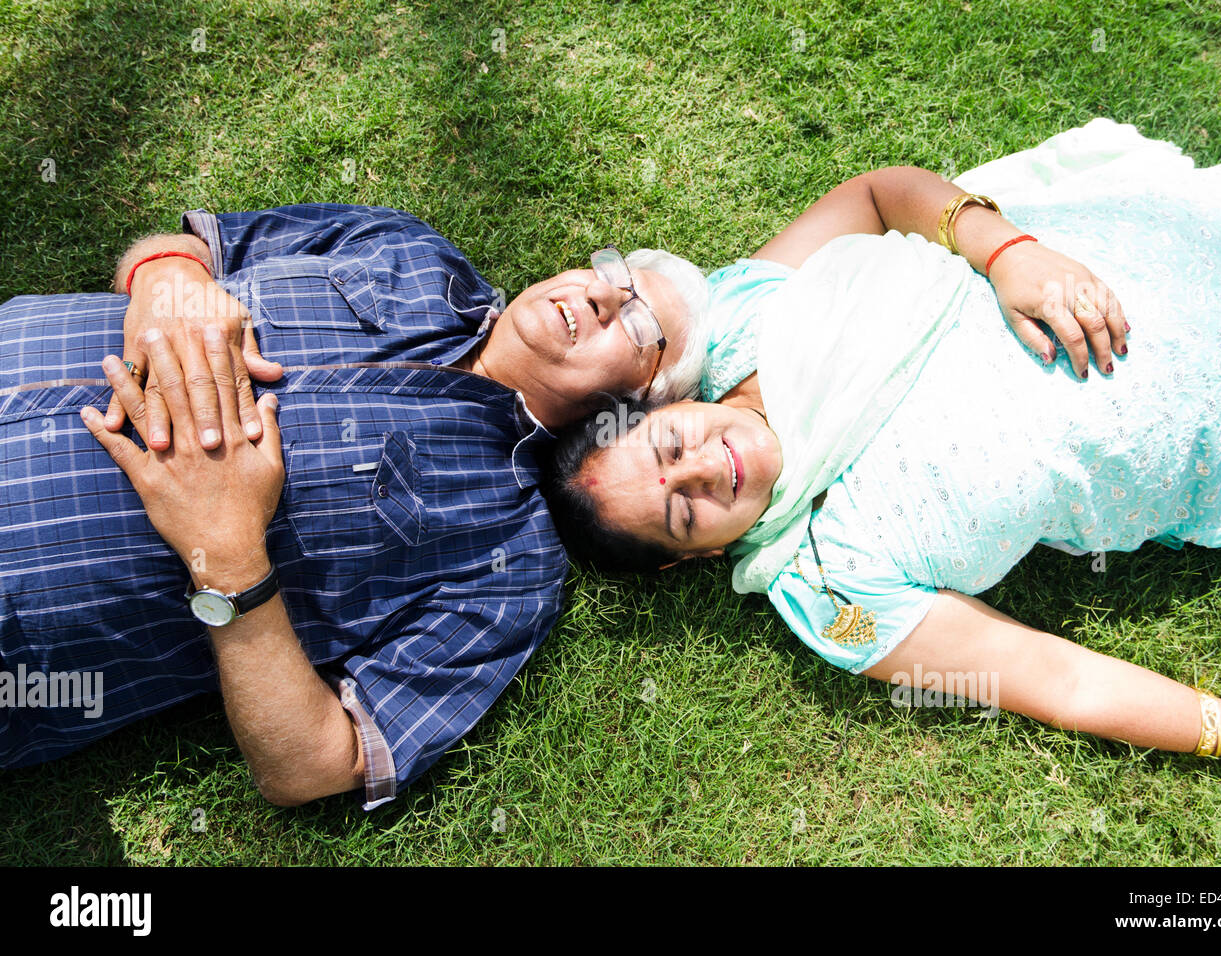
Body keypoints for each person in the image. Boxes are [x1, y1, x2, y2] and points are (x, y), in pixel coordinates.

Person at [546, 120, 1221, 769]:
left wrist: (1009, 254)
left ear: (659, 408)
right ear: (699, 556)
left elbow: (877, 195)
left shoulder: (745, 317)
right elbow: (1052, 677)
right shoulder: (829, 587)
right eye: (685, 512)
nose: (709, 467)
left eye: (671, 448)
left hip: (1214, 245)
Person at [0, 202, 711, 807]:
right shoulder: (409, 248)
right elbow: (191, 246)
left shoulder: (512, 566)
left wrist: (229, 555)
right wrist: (165, 281)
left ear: (635, 408)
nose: (601, 294)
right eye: (613, 272)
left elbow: (316, 766)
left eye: (639, 322)